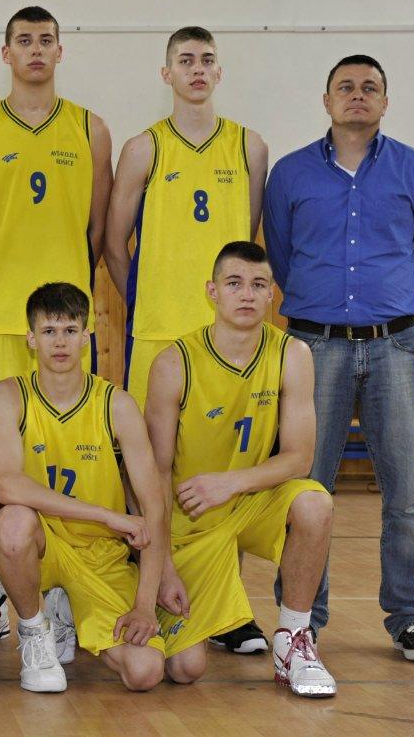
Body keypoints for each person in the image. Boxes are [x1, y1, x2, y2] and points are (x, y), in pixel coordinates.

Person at [263, 55, 414, 662]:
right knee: (306, 488)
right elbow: (282, 258)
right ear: (327, 101)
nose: (358, 95)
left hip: (394, 344)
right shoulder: (290, 174)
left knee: (406, 492)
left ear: (385, 102)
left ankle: (412, 617)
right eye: (346, 87)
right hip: (314, 347)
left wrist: (382, 304)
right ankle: (301, 619)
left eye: (370, 88)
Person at [105, 26, 270, 656]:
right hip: (157, 333)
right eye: (185, 60)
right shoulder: (143, 148)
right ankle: (151, 587)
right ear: (166, 73)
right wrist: (148, 302)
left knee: (223, 471)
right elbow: (114, 241)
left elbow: (248, 239)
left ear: (218, 72)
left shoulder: (249, 146)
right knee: (149, 472)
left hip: (228, 341)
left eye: (206, 60)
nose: (197, 69)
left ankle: (225, 609)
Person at [0, 4, 113, 642]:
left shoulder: (91, 129)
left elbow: (96, 231)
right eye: (24, 40)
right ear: (6, 53)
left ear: (60, 51)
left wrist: (65, 298)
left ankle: (59, 589)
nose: (36, 50)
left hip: (65, 322)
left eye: (47, 40)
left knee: (63, 455)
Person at [144, 242, 336, 698]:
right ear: (212, 291)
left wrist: (229, 483)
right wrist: (162, 566)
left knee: (314, 503)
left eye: (258, 285)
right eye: (234, 283)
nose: (246, 294)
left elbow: (299, 457)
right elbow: (153, 475)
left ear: (272, 294)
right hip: (190, 518)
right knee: (185, 668)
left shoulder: (292, 354)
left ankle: (293, 640)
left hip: (250, 503)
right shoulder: (174, 362)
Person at [0, 283, 166, 693]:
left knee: (144, 671)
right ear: (31, 339)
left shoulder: (117, 404)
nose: (60, 342)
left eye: (70, 330)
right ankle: (35, 633)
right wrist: (105, 514)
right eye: (49, 331)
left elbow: (154, 507)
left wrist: (144, 604)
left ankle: (67, 611)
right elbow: (7, 485)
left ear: (87, 337)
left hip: (101, 554)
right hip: (44, 544)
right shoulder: (10, 395)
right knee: (12, 524)